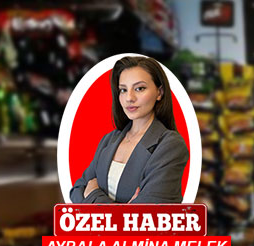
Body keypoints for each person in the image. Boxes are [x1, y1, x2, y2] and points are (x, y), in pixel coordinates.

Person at [70, 55, 187, 204]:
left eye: (139, 88)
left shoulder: (171, 145)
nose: (129, 98)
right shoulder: (109, 139)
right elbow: (77, 190)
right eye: (123, 90)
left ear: (159, 92)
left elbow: (144, 218)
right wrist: (124, 210)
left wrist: (93, 195)